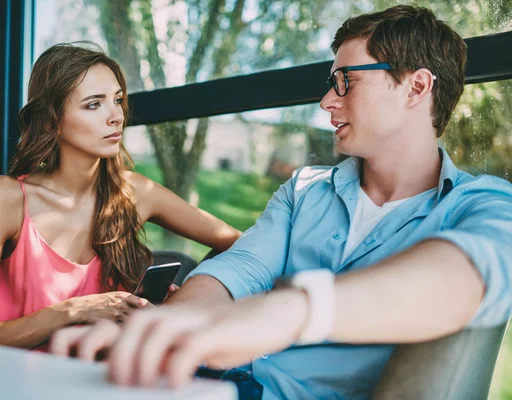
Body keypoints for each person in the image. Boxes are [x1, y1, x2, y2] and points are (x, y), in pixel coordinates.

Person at [50, 6, 512, 400]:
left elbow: (469, 271)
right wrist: (162, 331)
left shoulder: (483, 205)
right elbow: (239, 268)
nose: (328, 101)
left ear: (416, 87)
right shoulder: (306, 189)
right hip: (204, 382)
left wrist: (289, 312)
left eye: (345, 81)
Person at [0, 42, 241, 350]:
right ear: (50, 121)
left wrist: (188, 298)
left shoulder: (134, 192)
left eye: (117, 100)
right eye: (94, 104)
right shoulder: (3, 199)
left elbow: (244, 243)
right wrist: (74, 310)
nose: (116, 117)